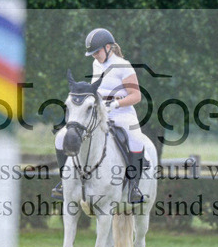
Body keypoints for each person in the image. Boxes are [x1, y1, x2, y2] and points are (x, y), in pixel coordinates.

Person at [52, 28, 147, 203]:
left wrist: (116, 103)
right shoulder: (96, 64)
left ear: (108, 47)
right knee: (60, 137)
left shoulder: (124, 66)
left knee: (136, 139)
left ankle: (134, 187)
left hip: (122, 113)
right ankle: (64, 182)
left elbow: (136, 96)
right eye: (92, 53)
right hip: (100, 112)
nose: (95, 56)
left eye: (97, 52)